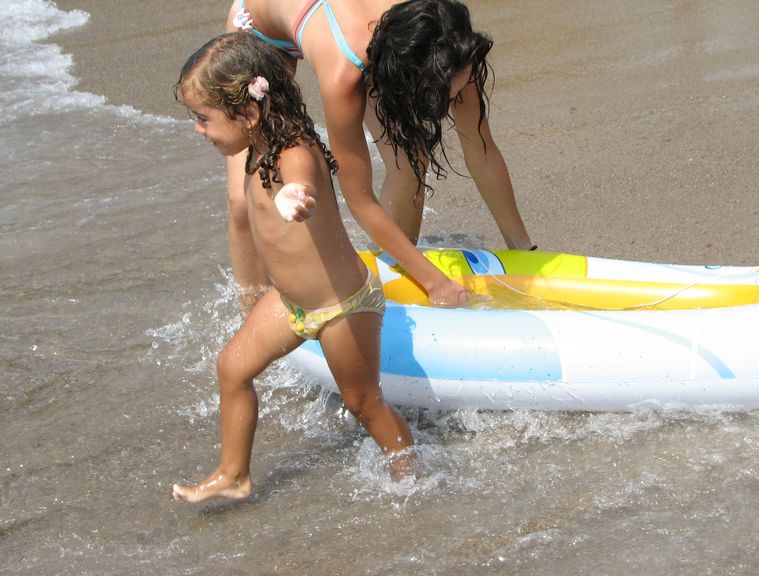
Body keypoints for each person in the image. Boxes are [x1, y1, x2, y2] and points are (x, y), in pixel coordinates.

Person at [171, 32, 414, 503]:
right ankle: (233, 475)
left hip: (342, 307)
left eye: (203, 118)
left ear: (248, 113)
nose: (198, 129)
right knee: (231, 368)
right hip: (290, 303)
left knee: (364, 403)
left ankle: (411, 476)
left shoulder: (294, 152)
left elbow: (302, 181)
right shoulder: (254, 148)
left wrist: (294, 195)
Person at [225, 0, 534, 314]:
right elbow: (359, 199)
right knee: (243, 201)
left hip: (368, 39)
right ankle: (252, 315)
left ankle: (393, 274)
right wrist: (435, 282)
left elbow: (482, 152)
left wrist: (524, 250)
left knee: (411, 160)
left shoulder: (451, 42)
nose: (452, 104)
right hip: (261, 28)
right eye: (442, 97)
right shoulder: (343, 75)